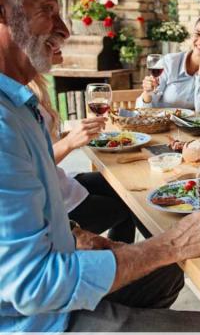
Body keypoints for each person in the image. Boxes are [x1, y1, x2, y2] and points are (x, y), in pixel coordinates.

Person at [0, 0, 200, 335]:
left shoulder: (20, 105)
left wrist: (78, 235)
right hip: (32, 329)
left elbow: (31, 219)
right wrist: (169, 243)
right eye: (47, 10)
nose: (64, 29)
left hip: (48, 287)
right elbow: (32, 286)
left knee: (168, 273)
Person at [29, 68, 138, 243]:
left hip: (60, 182)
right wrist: (70, 142)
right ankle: (122, 263)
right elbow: (30, 167)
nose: (60, 45)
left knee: (126, 185)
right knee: (127, 208)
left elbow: (44, 147)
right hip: (54, 205)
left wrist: (74, 136)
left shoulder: (30, 83)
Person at [136, 14, 200, 113]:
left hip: (190, 126)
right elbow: (142, 110)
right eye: (197, 34)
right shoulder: (169, 62)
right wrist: (147, 92)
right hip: (161, 123)